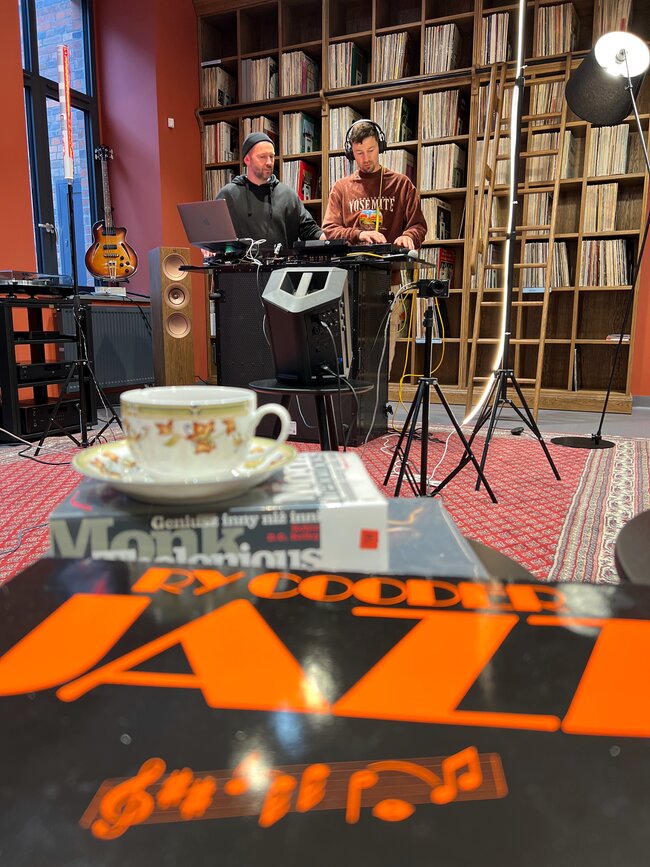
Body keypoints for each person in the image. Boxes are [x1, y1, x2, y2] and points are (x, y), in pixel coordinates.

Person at [322, 120, 426, 250]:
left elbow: (418, 225)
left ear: (380, 147)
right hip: (352, 262)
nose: (366, 158)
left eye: (371, 150)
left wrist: (409, 236)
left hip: (390, 262)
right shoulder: (341, 188)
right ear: (351, 152)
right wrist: (358, 234)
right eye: (359, 153)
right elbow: (329, 229)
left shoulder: (401, 184)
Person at [215, 131, 324, 248]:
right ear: (247, 159)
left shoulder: (288, 196)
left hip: (281, 260)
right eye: (262, 157)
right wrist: (207, 248)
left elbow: (309, 230)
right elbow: (213, 236)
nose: (269, 162)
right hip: (241, 260)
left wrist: (330, 239)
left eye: (271, 157)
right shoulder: (228, 195)